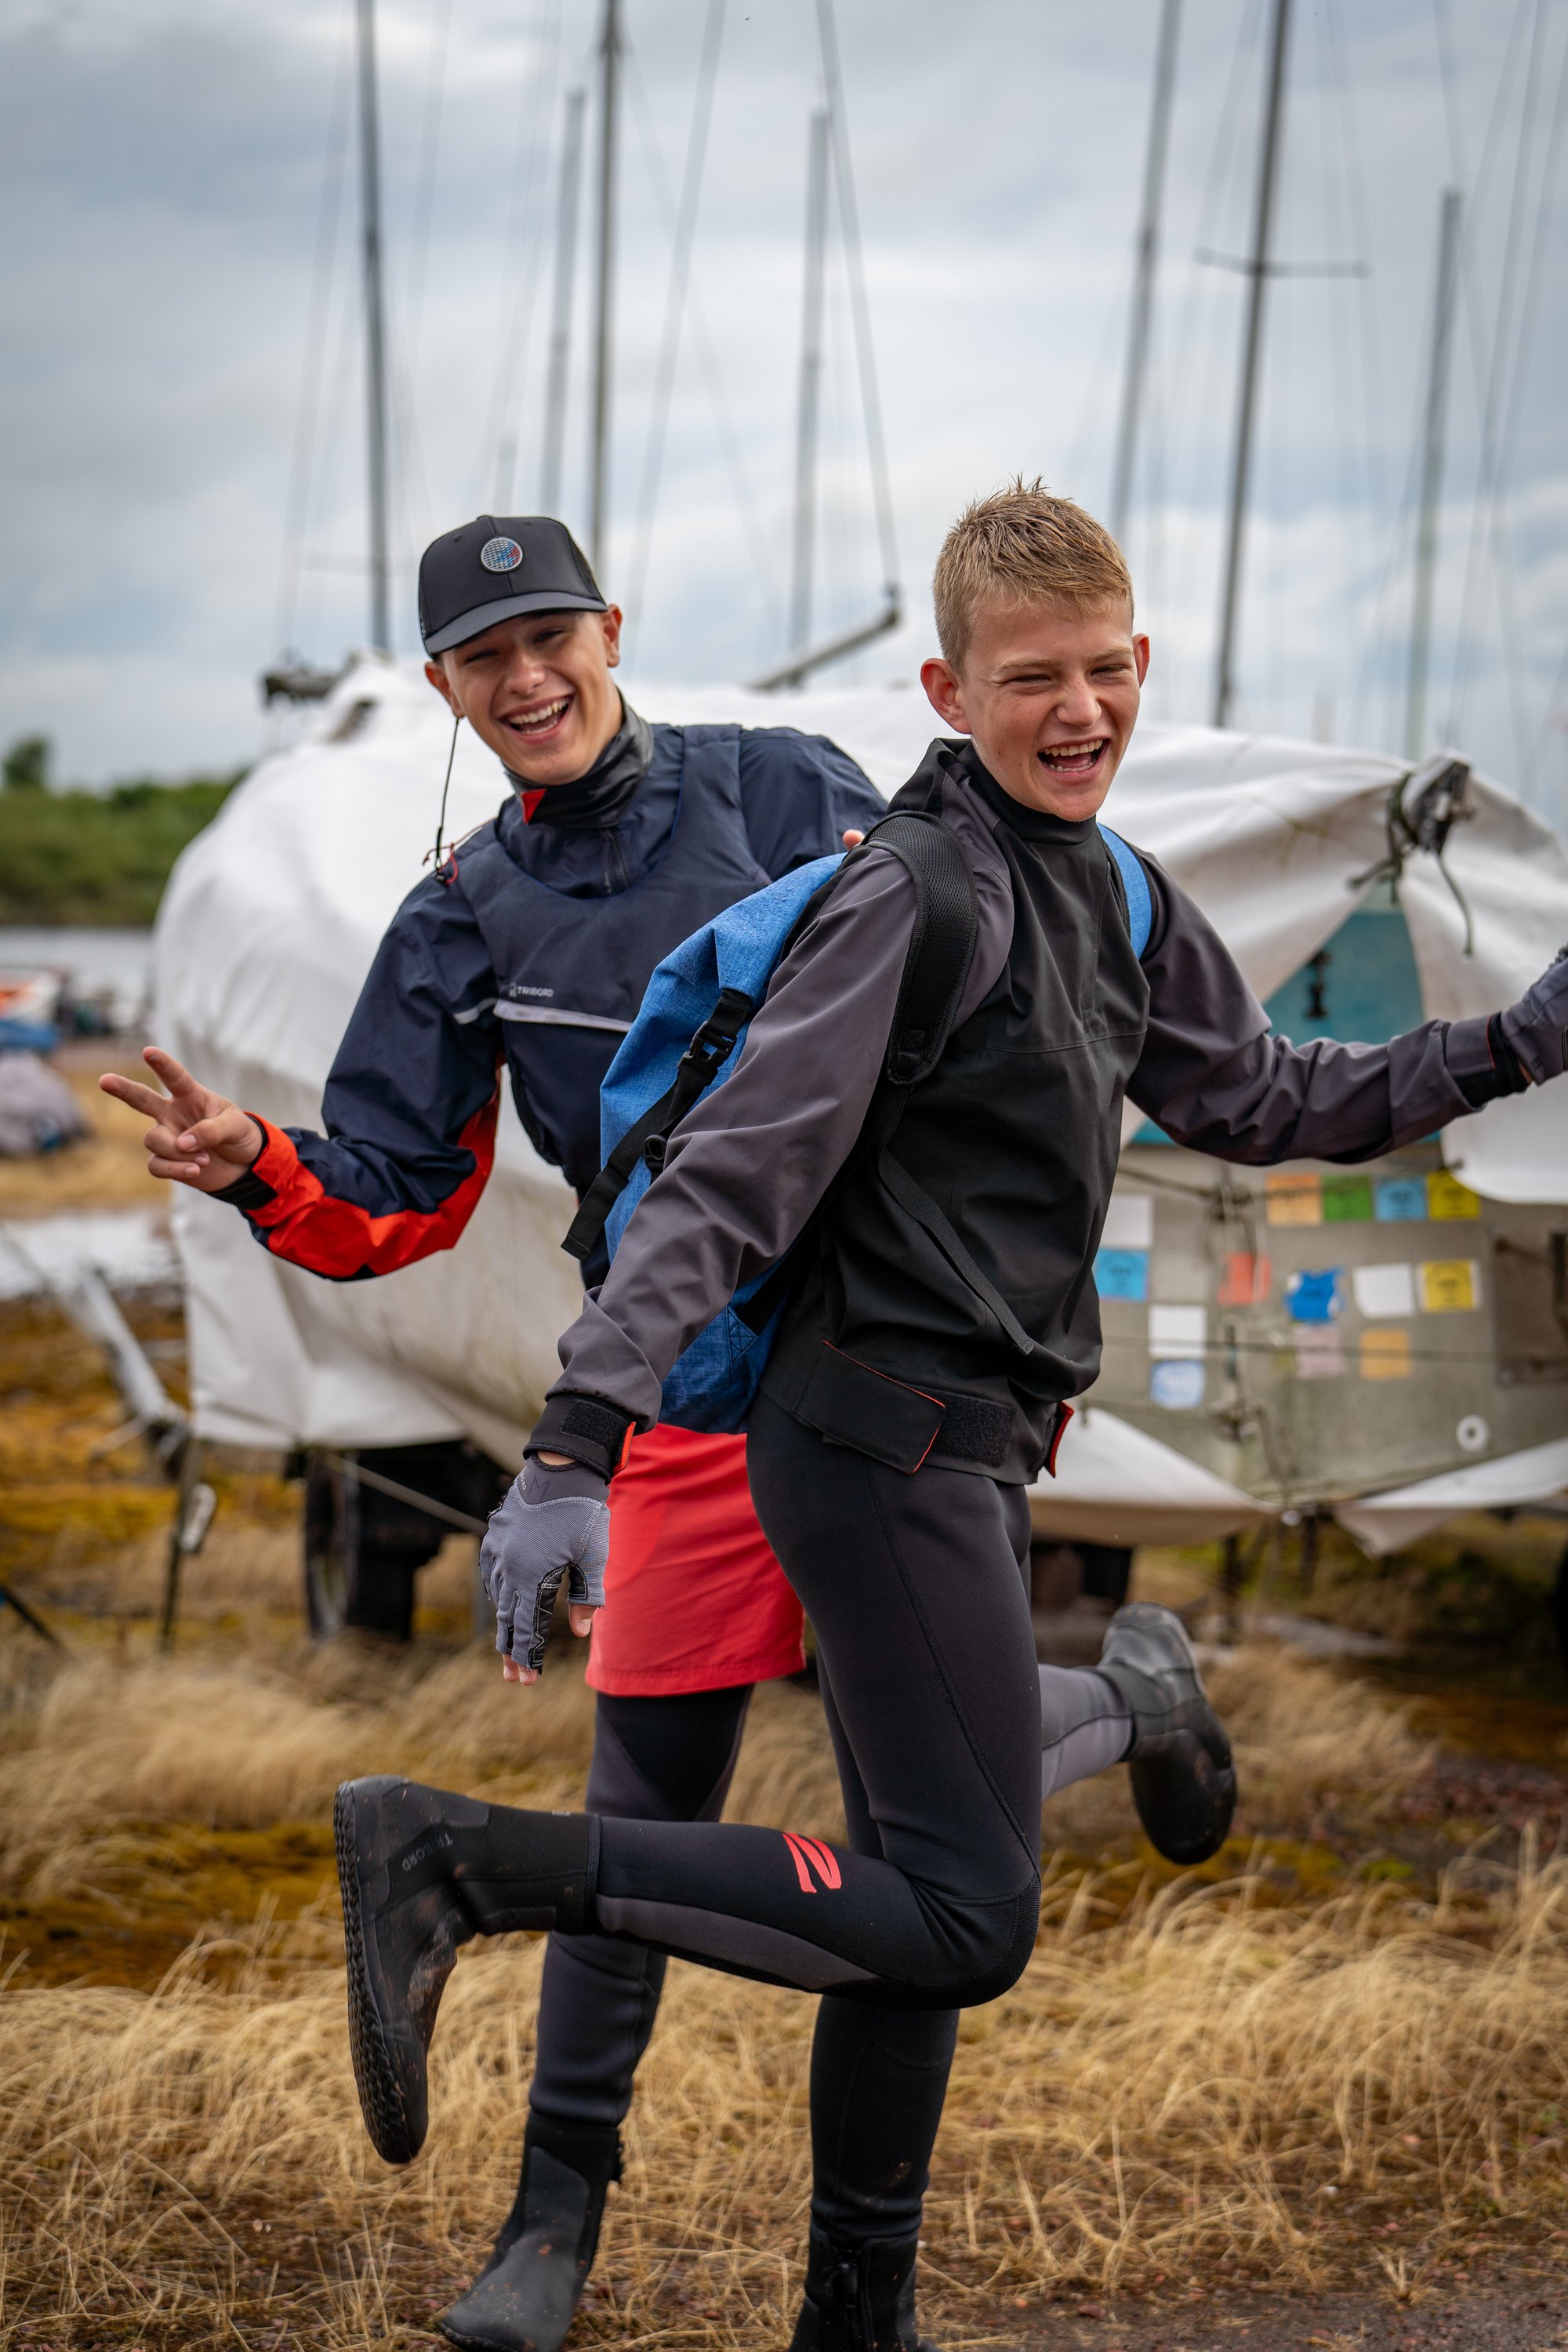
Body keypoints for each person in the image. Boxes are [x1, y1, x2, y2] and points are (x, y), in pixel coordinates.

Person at [315, 481, 1568, 2350]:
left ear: (1141, 664)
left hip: (974, 1439)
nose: (1078, 710)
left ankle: (857, 2311)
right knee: (966, 1914)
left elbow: (1263, 1099)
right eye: (1030, 678)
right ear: (947, 691)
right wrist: (574, 1444)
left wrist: (1522, 1039)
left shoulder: (1115, 885)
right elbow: (730, 1180)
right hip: (861, 1440)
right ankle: (464, 1861)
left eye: (1104, 671)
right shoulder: (911, 892)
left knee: (920, 1894)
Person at [103, 509, 1235, 2352]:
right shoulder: (461, 913)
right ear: (443, 686)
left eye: (550, 635)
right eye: (486, 657)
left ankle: (859, 2292)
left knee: (914, 1854)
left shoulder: (791, 791)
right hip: (692, 1396)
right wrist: (256, 1168)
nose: (526, 677)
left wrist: (1010, 1277)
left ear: (611, 629)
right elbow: (397, 1193)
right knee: (651, 1805)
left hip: (889, 1372)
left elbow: (970, 1003)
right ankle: (553, 2222)